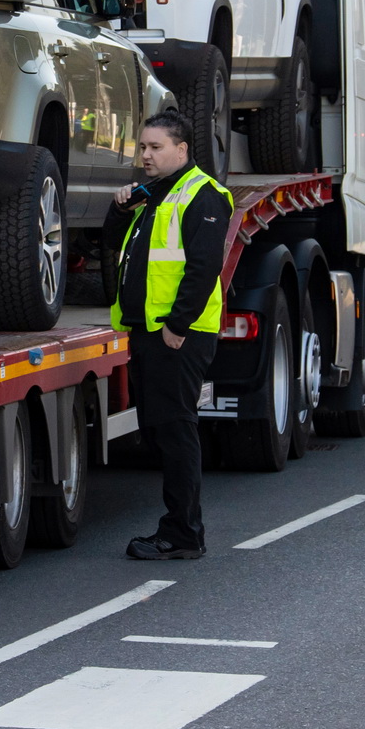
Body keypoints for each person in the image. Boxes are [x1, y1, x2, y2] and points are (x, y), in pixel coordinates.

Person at [103, 112, 232, 560]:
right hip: (148, 331)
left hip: (178, 335)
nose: (146, 155)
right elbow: (111, 247)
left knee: (175, 432)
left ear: (182, 150)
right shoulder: (151, 196)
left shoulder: (203, 195)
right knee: (159, 431)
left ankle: (182, 534)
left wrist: (178, 325)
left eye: (155, 147)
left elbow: (203, 266)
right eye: (142, 147)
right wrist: (119, 209)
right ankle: (181, 529)